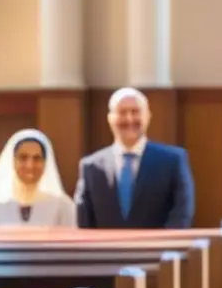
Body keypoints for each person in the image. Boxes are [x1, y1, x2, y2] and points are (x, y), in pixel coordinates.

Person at [74, 87, 195, 229]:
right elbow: (84, 220)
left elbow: (181, 213)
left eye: (135, 112)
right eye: (122, 112)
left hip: (157, 249)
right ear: (110, 118)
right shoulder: (91, 167)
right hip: (106, 250)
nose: (129, 119)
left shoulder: (173, 161)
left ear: (148, 116)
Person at [0, 129, 77, 228]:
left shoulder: (62, 206)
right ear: (12, 161)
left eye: (37, 158)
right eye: (23, 158)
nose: (30, 165)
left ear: (45, 163)